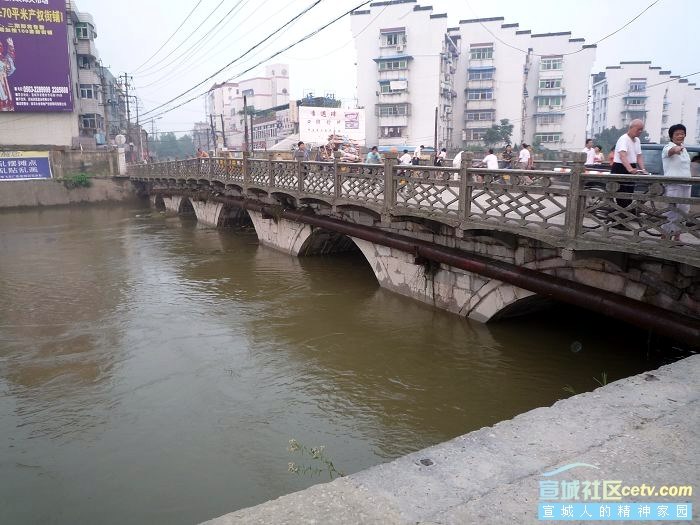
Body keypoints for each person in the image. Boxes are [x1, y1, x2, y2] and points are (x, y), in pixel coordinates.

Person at [661, 124, 691, 240]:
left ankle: (677, 237)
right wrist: (676, 149)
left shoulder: (685, 149)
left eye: (682, 134)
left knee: (683, 212)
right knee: (672, 212)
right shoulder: (667, 147)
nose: (680, 136)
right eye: (677, 134)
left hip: (686, 184)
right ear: (671, 136)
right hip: (674, 185)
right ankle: (665, 236)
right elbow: (672, 151)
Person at [611, 119, 647, 209]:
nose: (640, 131)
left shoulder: (637, 140)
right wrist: (630, 169)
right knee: (622, 197)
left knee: (630, 195)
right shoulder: (624, 139)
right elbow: (623, 155)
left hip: (631, 167)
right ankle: (619, 219)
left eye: (641, 129)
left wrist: (643, 169)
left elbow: (639, 156)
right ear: (631, 128)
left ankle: (624, 218)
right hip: (620, 168)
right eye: (638, 129)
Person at [0, 38, 16, 112]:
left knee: (6, 96)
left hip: (4, 80)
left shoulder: (4, 58)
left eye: (0, 46)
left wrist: (10, 46)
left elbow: (10, 58)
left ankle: (6, 105)